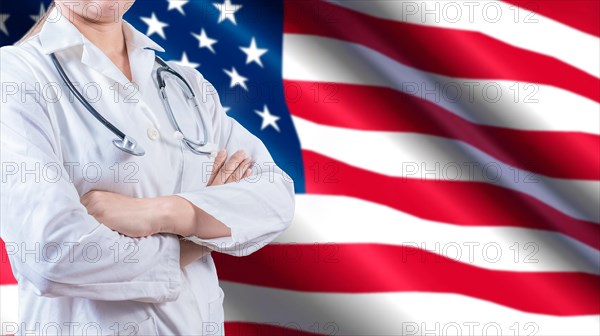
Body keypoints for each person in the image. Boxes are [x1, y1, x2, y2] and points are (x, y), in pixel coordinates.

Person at [0, 0, 295, 335]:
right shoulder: (14, 78)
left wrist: (164, 213)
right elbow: (54, 254)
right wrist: (201, 237)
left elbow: (275, 196)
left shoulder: (185, 84)